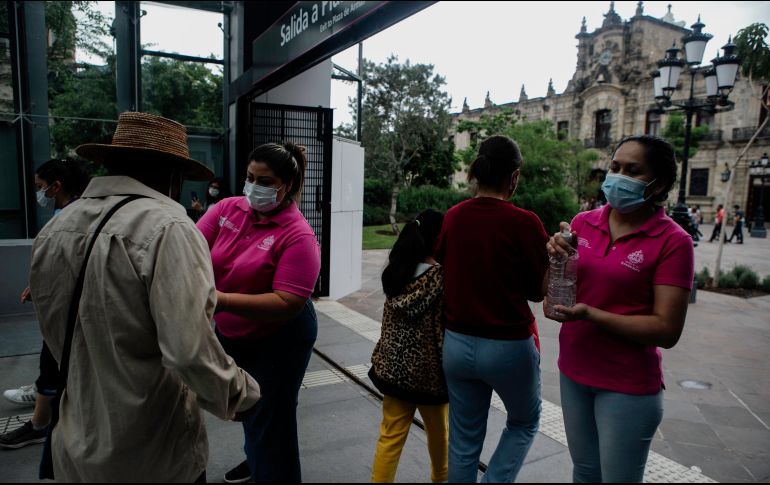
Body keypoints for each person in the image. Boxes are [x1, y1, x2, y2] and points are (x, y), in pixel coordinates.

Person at [29, 112, 261, 482]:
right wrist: (240, 395)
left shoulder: (56, 228)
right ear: (172, 175)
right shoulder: (169, 227)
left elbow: (55, 332)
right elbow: (188, 350)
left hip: (75, 443)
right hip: (153, 450)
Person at [545, 135, 694, 483]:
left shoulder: (673, 241)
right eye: (615, 167)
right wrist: (552, 257)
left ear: (659, 185)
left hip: (626, 385)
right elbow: (548, 294)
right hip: (574, 371)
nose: (618, 176)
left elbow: (667, 329)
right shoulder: (582, 223)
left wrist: (591, 314)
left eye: (633, 170)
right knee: (584, 472)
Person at [196, 142, 321, 483]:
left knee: (272, 417)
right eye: (250, 178)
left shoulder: (298, 235)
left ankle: (272, 471)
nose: (254, 187)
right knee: (246, 406)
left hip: (281, 337)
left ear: (288, 187)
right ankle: (256, 461)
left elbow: (287, 302)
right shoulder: (226, 210)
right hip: (233, 332)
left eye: (265, 182)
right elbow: (189, 250)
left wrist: (219, 300)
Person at [435, 135, 548, 482]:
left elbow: (443, 263)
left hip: (456, 344)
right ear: (513, 177)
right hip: (508, 347)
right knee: (524, 421)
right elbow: (537, 293)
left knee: (464, 440)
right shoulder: (525, 222)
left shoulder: (453, 217)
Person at [0, 158, 90, 450]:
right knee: (55, 358)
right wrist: (36, 284)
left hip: (72, 305)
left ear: (56, 186)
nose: (39, 193)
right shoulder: (69, 210)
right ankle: (46, 414)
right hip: (67, 303)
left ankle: (41, 422)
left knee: (53, 359)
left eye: (41, 187)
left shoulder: (75, 215)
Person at [369, 208, 448, 483]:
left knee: (389, 438)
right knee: (441, 440)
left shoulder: (397, 272)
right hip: (430, 377)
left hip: (392, 371)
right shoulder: (442, 279)